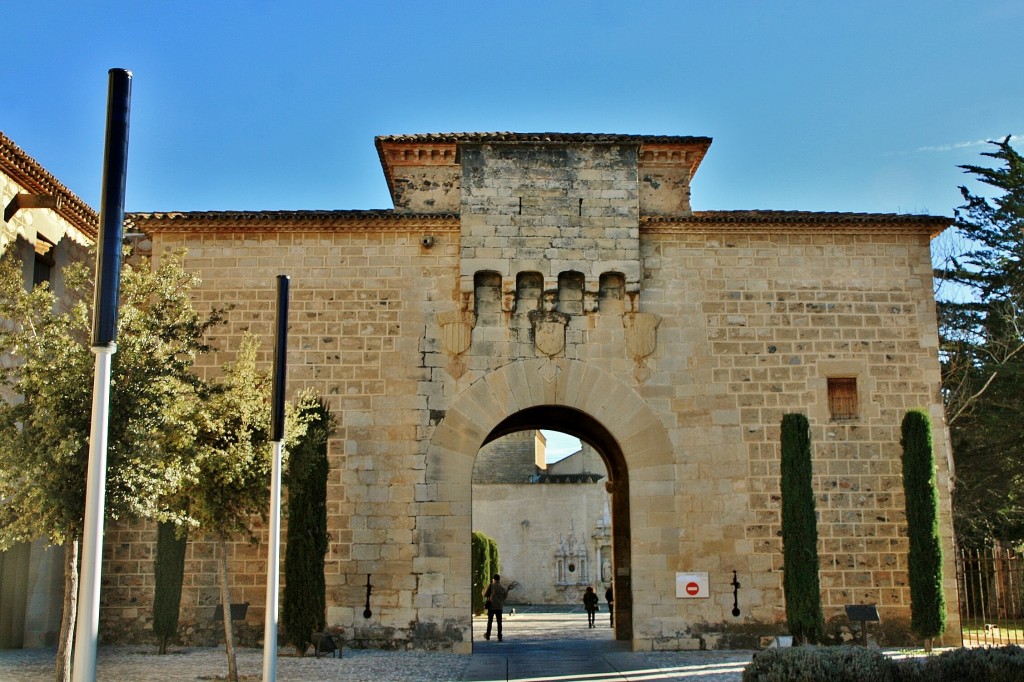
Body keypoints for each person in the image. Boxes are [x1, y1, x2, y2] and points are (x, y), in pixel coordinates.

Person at [483, 574, 508, 641]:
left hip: (491, 606)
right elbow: (505, 595)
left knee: (490, 622)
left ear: (493, 579)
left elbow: (485, 594)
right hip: (499, 607)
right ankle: (499, 636)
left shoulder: (491, 585)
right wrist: (501, 600)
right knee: (499, 622)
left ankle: (488, 635)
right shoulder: (502, 587)